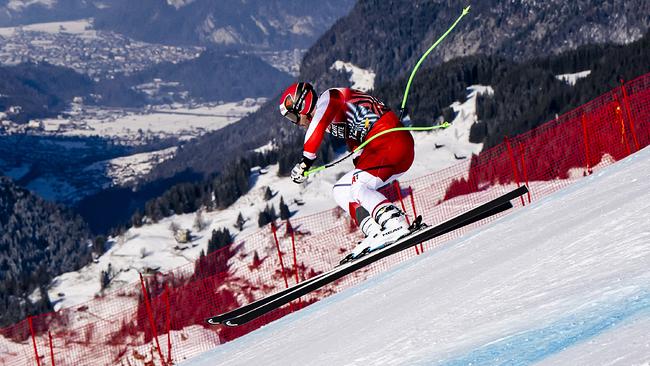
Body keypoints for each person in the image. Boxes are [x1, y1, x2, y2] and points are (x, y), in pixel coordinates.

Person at [279, 82, 415, 259]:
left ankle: (395, 223)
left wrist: (305, 162)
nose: (296, 123)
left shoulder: (330, 98)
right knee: (342, 189)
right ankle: (374, 231)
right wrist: (359, 160)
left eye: (293, 117)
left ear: (302, 105)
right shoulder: (329, 117)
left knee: (359, 186)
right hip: (382, 149)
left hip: (391, 142)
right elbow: (355, 139)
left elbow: (316, 127)